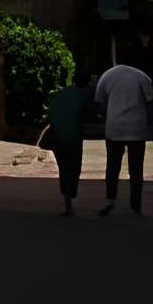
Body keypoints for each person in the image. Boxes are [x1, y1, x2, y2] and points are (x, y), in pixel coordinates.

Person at [94, 49, 153, 217]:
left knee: (112, 166)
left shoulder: (107, 76)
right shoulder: (142, 77)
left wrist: (106, 114)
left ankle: (110, 201)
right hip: (136, 128)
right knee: (136, 169)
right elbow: (150, 102)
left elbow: (100, 103)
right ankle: (136, 205)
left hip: (114, 128)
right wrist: (151, 125)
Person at [44, 65, 91, 217]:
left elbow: (50, 113)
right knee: (74, 168)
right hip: (73, 138)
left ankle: (68, 203)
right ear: (87, 83)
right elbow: (90, 114)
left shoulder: (61, 93)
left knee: (64, 169)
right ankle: (70, 197)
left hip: (57, 137)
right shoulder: (84, 95)